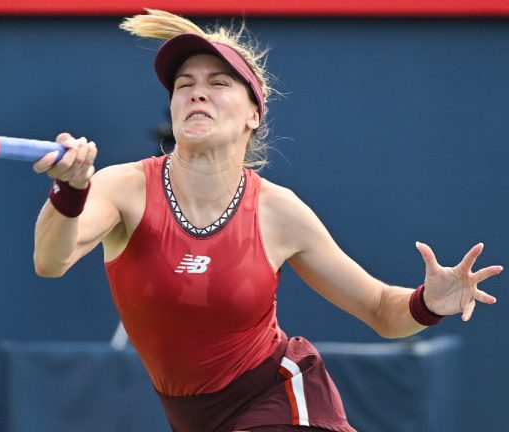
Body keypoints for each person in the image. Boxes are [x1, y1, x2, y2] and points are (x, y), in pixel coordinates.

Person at [31, 9, 502, 432]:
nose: (198, 93)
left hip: (282, 399)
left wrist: (429, 303)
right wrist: (70, 191)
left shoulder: (279, 211)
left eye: (218, 84)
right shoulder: (122, 187)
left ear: (253, 114)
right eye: (184, 85)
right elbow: (51, 262)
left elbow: (380, 309)